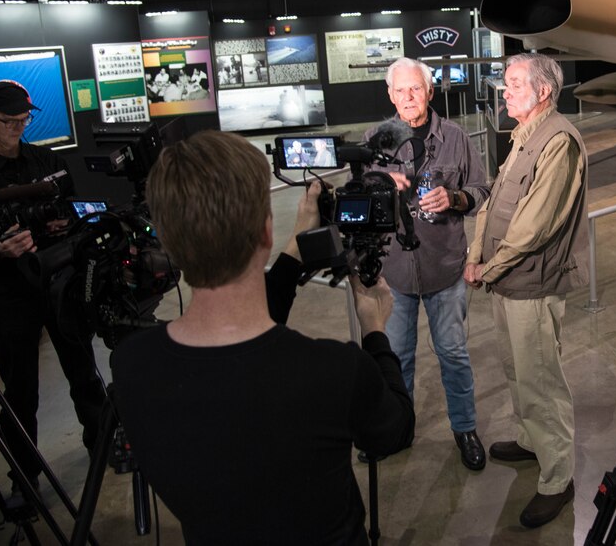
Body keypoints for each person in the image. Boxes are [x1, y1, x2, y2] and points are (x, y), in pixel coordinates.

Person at [111, 131, 414, 545]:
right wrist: (375, 332)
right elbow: (395, 430)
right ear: (265, 232)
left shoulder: (132, 365)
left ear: (168, 242)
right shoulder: (333, 371)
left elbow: (240, 348)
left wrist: (293, 248)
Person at [0, 80, 107, 505]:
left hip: (57, 284)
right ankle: (24, 477)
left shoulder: (44, 160)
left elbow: (71, 208)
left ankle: (101, 445)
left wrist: (61, 224)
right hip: (9, 294)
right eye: (8, 121)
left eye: (23, 119)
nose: (17, 127)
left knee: (84, 372)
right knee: (20, 393)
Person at [464, 53, 589, 528]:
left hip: (531, 284)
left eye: (514, 83)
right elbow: (493, 204)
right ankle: (532, 441)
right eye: (505, 83)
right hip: (506, 281)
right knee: (518, 371)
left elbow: (535, 226)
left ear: (542, 92)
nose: (504, 90)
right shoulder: (523, 135)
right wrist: (476, 255)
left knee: (541, 382)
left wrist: (488, 267)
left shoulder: (559, 141)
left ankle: (557, 479)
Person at [364, 58, 491, 470]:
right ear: (390, 95)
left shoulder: (454, 137)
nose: (407, 98)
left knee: (453, 353)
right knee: (397, 356)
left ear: (429, 91)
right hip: (395, 272)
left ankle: (465, 429)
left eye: (415, 89)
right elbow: (357, 199)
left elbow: (482, 190)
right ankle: (398, 431)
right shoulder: (374, 139)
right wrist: (381, 187)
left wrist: (453, 199)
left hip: (445, 268)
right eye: (399, 91)